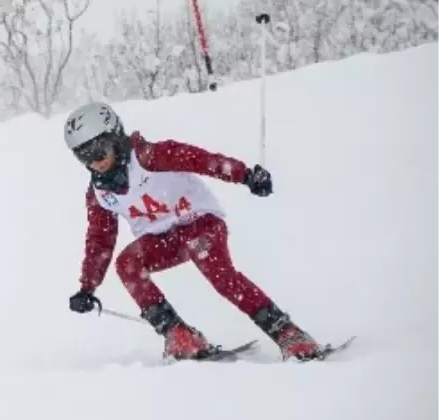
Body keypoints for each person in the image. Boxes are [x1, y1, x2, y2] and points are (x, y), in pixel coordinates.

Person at [63, 101, 325, 361]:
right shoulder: (99, 194)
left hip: (200, 223)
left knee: (220, 276)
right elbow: (100, 240)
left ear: (116, 136)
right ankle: (178, 335)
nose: (95, 162)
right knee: (127, 264)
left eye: (99, 151)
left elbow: (204, 161)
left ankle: (287, 333)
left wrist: (245, 176)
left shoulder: (150, 156)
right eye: (84, 156)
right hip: (162, 239)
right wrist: (88, 287)